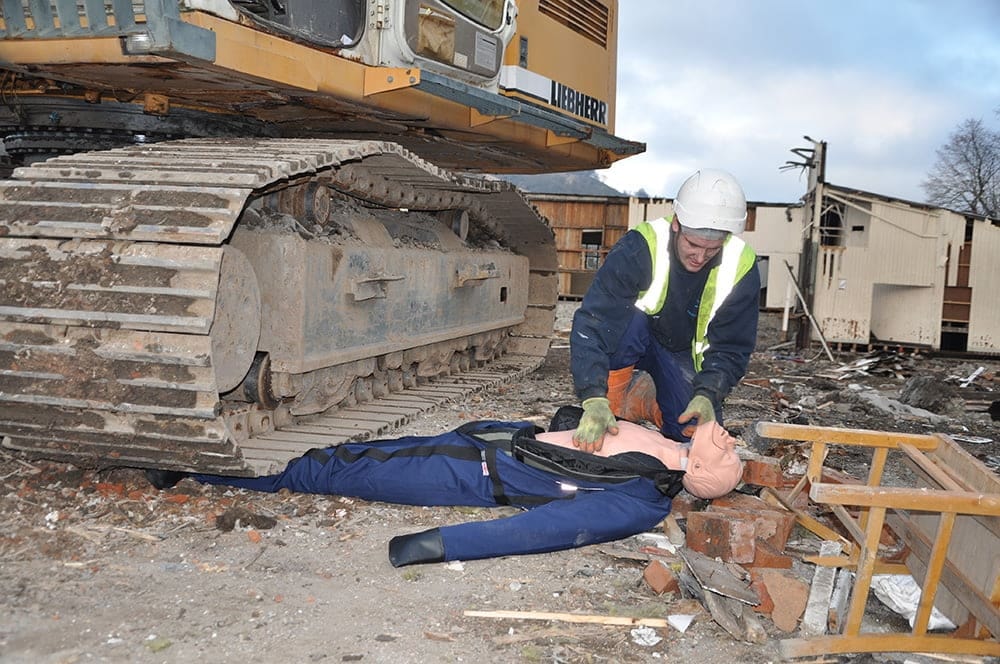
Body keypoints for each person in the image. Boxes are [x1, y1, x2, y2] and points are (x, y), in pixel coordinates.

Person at [146, 407, 743, 566]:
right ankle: (212, 459)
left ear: (700, 478)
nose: (726, 440)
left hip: (473, 473)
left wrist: (441, 544)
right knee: (356, 455)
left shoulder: (642, 500)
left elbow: (550, 529)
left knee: (338, 469)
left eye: (722, 452)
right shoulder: (671, 448)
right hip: (491, 440)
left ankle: (202, 468)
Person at [570, 168, 760, 451]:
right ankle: (617, 396)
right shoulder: (640, 248)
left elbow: (732, 345)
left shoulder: (740, 265)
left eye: (712, 249)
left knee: (694, 438)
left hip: (680, 352)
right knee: (627, 321)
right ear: (676, 225)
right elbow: (594, 323)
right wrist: (593, 396)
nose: (700, 257)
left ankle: (649, 401)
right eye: (693, 245)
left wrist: (708, 393)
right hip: (629, 339)